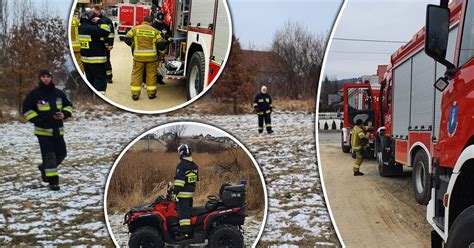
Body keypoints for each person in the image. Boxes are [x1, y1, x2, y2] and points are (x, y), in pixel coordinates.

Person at [22, 70, 73, 191]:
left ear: (51, 78)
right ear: (40, 78)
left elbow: (68, 105)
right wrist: (39, 121)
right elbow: (26, 110)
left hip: (58, 131)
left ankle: (43, 168)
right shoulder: (34, 94)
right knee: (50, 157)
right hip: (43, 132)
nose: (46, 79)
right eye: (43, 77)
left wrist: (64, 114)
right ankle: (53, 182)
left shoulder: (59, 93)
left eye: (48, 77)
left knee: (61, 154)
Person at [125, 16, 163, 100]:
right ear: (151, 22)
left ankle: (135, 94)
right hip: (151, 58)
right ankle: (151, 94)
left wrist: (133, 46)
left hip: (138, 57)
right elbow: (161, 44)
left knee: (136, 75)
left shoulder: (135, 29)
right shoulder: (155, 31)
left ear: (143, 21)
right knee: (151, 75)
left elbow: (126, 39)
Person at [78, 12, 110, 93]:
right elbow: (106, 31)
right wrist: (100, 21)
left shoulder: (81, 28)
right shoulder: (91, 29)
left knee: (90, 82)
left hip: (85, 60)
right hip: (96, 60)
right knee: (100, 81)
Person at [173, 144, 199, 240]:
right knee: (189, 213)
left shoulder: (181, 165)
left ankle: (185, 234)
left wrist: (174, 192)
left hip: (183, 195)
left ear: (181, 153)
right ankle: (190, 231)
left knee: (184, 215)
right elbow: (194, 180)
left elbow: (180, 182)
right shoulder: (194, 166)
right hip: (190, 194)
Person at [92, 5, 115, 84]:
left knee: (106, 60)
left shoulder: (106, 20)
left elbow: (111, 33)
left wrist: (110, 44)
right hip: (95, 44)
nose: (93, 13)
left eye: (94, 11)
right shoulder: (92, 20)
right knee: (96, 61)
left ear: (99, 11)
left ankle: (109, 77)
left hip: (105, 44)